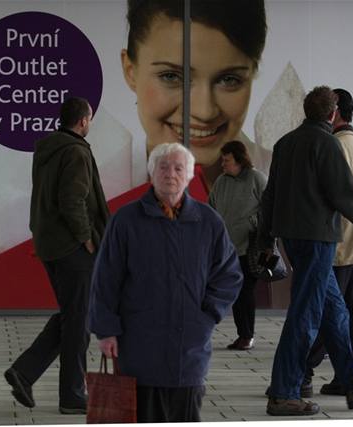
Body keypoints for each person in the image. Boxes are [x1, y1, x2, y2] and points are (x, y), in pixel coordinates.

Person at [88, 142, 243, 423]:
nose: (170, 173)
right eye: (163, 167)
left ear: (189, 176)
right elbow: (105, 277)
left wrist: (206, 315)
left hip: (190, 343)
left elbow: (229, 275)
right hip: (137, 340)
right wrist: (106, 330)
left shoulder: (208, 222)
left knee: (185, 411)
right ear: (151, 173)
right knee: (143, 414)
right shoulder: (126, 220)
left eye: (178, 168)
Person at [260, 86, 353, 416]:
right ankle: (283, 393)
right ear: (333, 115)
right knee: (305, 315)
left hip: (292, 239)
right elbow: (344, 195)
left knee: (335, 311)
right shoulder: (327, 143)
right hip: (318, 240)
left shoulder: (285, 144)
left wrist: (265, 239)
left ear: (306, 111)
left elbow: (270, 196)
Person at [4, 97, 110, 414]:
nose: (90, 123)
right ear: (83, 121)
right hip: (72, 248)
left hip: (50, 245)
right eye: (90, 118)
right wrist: (87, 239)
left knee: (73, 315)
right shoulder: (76, 151)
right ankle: (72, 396)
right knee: (79, 322)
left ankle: (24, 372)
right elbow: (72, 200)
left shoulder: (49, 148)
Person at [122, 0, 269, 189]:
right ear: (131, 71)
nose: (204, 111)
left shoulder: (292, 182)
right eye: (171, 76)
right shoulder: (96, 188)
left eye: (229, 79)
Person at [303, 88, 353, 395]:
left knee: (323, 314)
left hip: (334, 243)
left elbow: (334, 196)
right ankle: (346, 377)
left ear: (336, 112)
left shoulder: (335, 145)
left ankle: (302, 372)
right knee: (349, 315)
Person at [208, 140, 267, 351]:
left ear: (240, 160)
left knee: (245, 291)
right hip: (227, 249)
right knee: (235, 293)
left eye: (227, 160)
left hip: (250, 248)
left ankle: (246, 335)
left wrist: (254, 224)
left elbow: (270, 209)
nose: (223, 164)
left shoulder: (257, 179)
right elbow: (211, 208)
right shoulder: (221, 182)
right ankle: (243, 334)